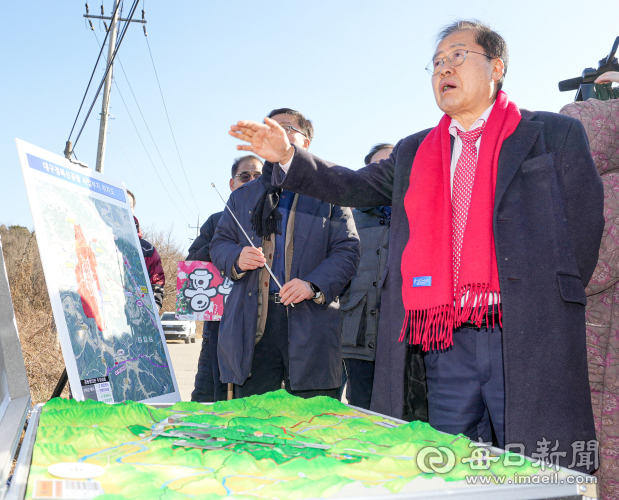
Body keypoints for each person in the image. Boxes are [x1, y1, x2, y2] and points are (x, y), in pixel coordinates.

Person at [228, 22, 604, 472]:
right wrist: (288, 156)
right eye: (437, 62)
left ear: (496, 67)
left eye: (458, 56)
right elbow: (351, 184)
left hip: (524, 335)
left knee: (535, 470)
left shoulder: (552, 134)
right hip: (443, 341)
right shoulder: (415, 151)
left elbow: (583, 229)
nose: (443, 68)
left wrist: (543, 297)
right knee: (446, 465)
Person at [211, 108, 360, 399]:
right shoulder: (242, 195)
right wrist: (236, 257)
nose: (276, 133)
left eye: (287, 127)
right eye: (270, 128)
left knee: (313, 423)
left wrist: (312, 284)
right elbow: (219, 244)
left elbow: (348, 249)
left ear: (306, 143)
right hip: (252, 325)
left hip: (311, 320)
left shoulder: (330, 190)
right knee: (253, 424)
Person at [187, 155, 263, 402]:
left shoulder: (276, 217)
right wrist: (224, 246)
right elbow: (192, 265)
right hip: (219, 324)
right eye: (245, 176)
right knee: (208, 395)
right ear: (232, 184)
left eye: (258, 177)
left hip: (261, 323)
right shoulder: (216, 220)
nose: (251, 181)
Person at [339, 144, 396, 410]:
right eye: (377, 166)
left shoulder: (419, 214)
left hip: (403, 334)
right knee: (360, 408)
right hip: (357, 332)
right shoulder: (348, 217)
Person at [127, 189, 165, 309]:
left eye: (129, 205)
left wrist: (153, 313)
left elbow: (157, 284)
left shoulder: (147, 250)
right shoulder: (94, 239)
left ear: (133, 210)